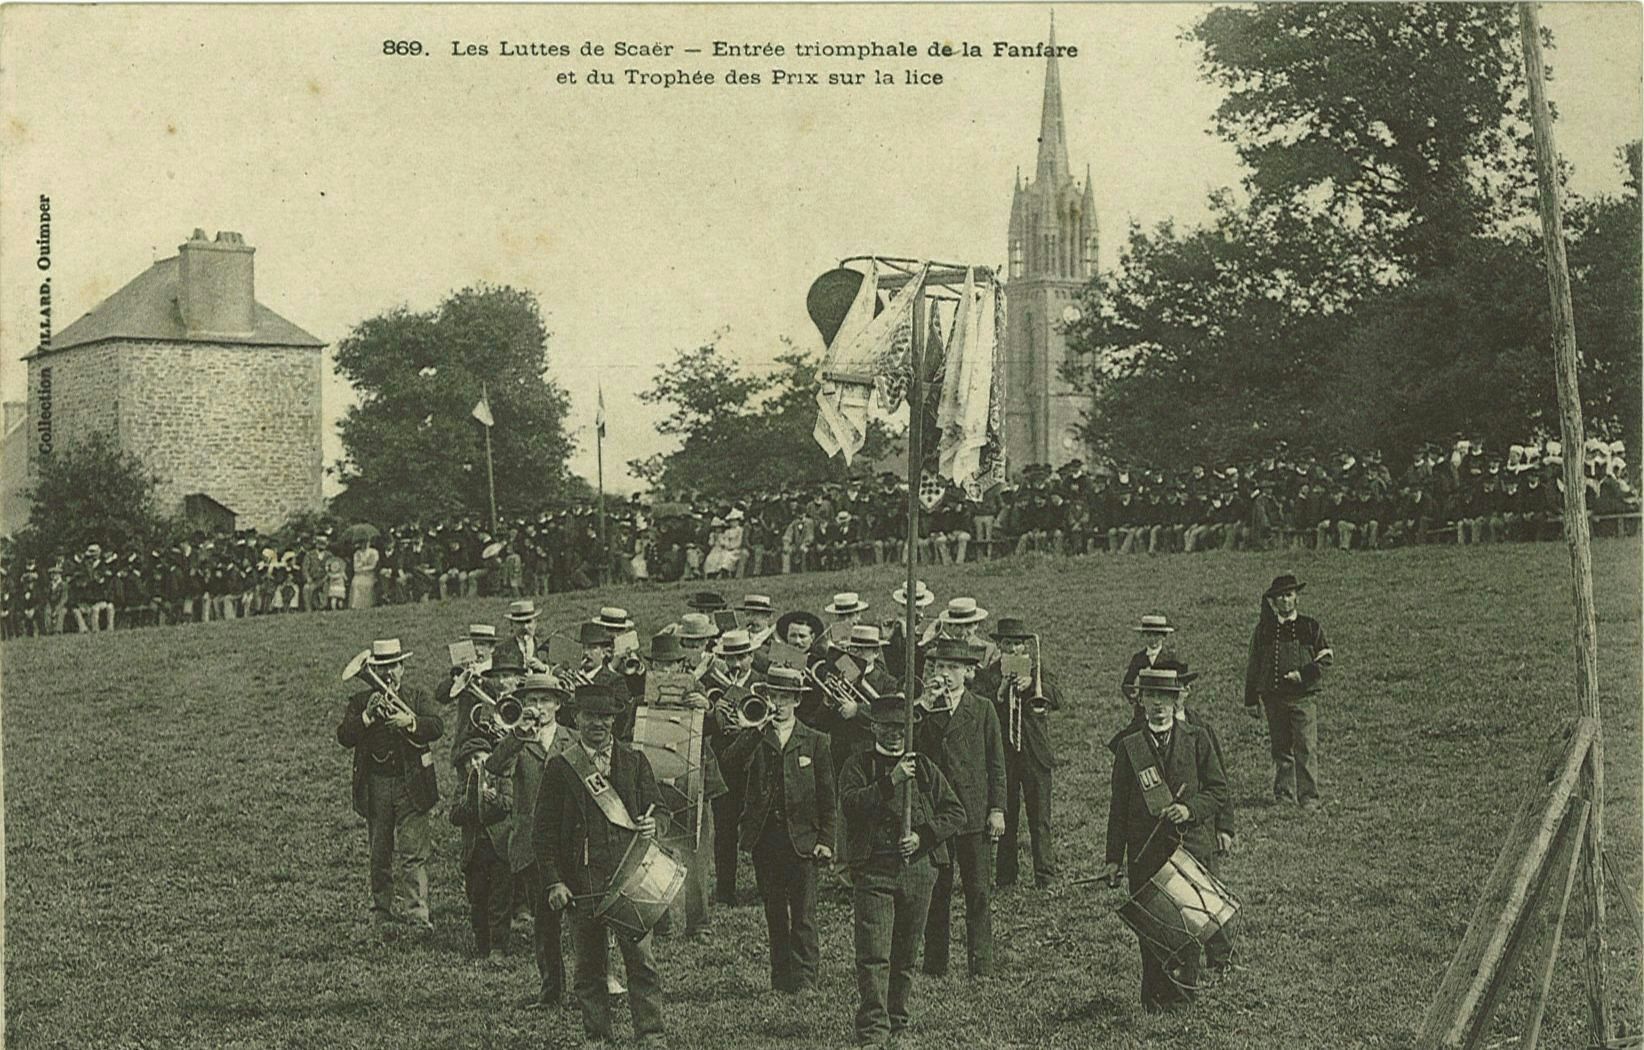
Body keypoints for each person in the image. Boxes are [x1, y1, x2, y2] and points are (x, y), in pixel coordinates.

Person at [533, 683, 667, 1047]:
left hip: (630, 879)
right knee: (589, 970)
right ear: (576, 718)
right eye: (590, 716)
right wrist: (554, 881)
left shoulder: (635, 761)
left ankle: (651, 1036)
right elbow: (542, 833)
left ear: (614, 719)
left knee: (642, 964)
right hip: (583, 883)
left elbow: (661, 810)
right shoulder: (561, 767)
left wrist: (656, 824)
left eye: (605, 717)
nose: (598, 724)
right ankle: (597, 1038)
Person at [838, 693, 966, 1046]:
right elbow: (850, 805)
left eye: (901, 728)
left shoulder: (922, 767)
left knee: (906, 954)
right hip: (874, 871)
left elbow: (956, 812)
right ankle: (873, 1031)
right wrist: (890, 780)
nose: (894, 734)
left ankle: (897, 1023)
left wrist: (923, 837)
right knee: (874, 954)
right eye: (887, 727)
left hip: (918, 869)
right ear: (873, 727)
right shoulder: (859, 765)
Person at [1101, 667, 1230, 1013]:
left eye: (1166, 697)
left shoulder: (1197, 739)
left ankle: (1182, 999)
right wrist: (1113, 858)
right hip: (1145, 852)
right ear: (1140, 701)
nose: (1159, 704)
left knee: (1187, 925)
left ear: (1177, 700)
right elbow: (1118, 807)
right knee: (1152, 927)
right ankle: (1153, 999)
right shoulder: (1129, 747)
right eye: (1152, 696)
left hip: (1190, 849)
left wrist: (1189, 810)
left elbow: (1217, 791)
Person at [719, 667, 836, 993]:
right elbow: (729, 762)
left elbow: (828, 796)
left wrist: (826, 839)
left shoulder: (815, 741)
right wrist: (755, 729)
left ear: (797, 700)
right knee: (774, 912)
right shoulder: (757, 734)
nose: (778, 704)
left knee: (804, 914)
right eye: (773, 697)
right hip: (766, 839)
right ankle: (781, 978)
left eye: (785, 698)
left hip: (803, 839)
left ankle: (806, 980)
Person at [484, 674, 580, 1009]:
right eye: (532, 701)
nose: (538, 708)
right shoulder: (518, 741)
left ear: (557, 704)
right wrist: (517, 735)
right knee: (544, 926)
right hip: (532, 846)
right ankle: (551, 992)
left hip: (572, 842)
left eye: (544, 700)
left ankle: (592, 987)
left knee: (585, 923)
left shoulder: (574, 740)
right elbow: (494, 767)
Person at [335, 639, 443, 934]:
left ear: (403, 668)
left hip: (412, 785)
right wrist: (369, 717)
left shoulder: (416, 696)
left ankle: (417, 916)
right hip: (377, 785)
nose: (387, 674)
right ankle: (380, 913)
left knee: (413, 854)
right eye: (381, 668)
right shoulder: (360, 702)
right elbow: (344, 736)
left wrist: (410, 721)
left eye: (393, 667)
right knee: (379, 853)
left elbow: (437, 726)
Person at [916, 638, 1006, 979]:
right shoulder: (927, 709)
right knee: (937, 890)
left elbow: (997, 764)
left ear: (968, 672)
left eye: (953, 667)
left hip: (973, 814)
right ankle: (935, 964)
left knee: (978, 891)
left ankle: (981, 964)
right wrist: (924, 704)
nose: (945, 674)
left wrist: (997, 809)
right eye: (939, 667)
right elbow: (906, 736)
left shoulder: (982, 708)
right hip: (937, 814)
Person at [979, 617, 1059, 890]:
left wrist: (1035, 686)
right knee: (1007, 815)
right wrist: (1001, 689)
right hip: (1004, 753)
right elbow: (982, 707)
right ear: (999, 645)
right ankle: (1006, 877)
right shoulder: (988, 673)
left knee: (1040, 817)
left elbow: (1057, 697)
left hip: (1035, 752)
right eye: (1008, 644)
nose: (1013, 649)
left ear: (1025, 646)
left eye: (1018, 644)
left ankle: (1045, 876)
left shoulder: (1036, 669)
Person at [1243, 573, 1333, 810]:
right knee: (1281, 748)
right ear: (1273, 602)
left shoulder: (1309, 626)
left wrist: (1303, 675)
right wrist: (1252, 700)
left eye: (1289, 595)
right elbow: (1254, 664)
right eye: (1280, 597)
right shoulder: (1264, 630)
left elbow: (1325, 657)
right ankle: (1284, 794)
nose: (1284, 600)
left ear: (1297, 598)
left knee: (1305, 746)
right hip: (1273, 699)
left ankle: (1309, 797)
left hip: (1302, 698)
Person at [449, 735, 514, 960]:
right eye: (469, 761)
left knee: (500, 901)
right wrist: (469, 802)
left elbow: (509, 804)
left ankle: (498, 946)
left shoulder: (502, 779)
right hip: (475, 853)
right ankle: (482, 944)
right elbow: (454, 816)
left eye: (479, 758)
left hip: (499, 851)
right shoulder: (463, 787)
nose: (474, 764)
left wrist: (494, 799)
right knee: (478, 899)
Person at [1120, 614, 1176, 702]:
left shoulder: (1171, 659)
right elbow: (1126, 684)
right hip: (1143, 707)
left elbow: (1182, 684)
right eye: (1149, 635)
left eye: (1156, 636)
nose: (1153, 639)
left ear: (1164, 637)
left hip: (1165, 708)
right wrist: (1134, 696)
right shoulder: (1138, 658)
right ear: (1143, 636)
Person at [499, 599, 546, 671]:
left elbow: (558, 670)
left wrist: (544, 668)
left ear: (535, 623)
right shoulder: (503, 650)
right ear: (511, 624)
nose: (524, 627)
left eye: (528, 621)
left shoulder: (544, 647)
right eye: (519, 622)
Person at [349, 540, 379, 609]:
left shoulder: (374, 552)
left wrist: (363, 567)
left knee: (368, 583)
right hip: (359, 574)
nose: (365, 544)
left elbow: (374, 565)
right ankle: (356, 605)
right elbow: (355, 568)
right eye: (363, 542)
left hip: (370, 574)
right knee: (356, 583)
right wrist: (362, 567)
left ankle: (368, 604)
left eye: (367, 542)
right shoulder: (357, 553)